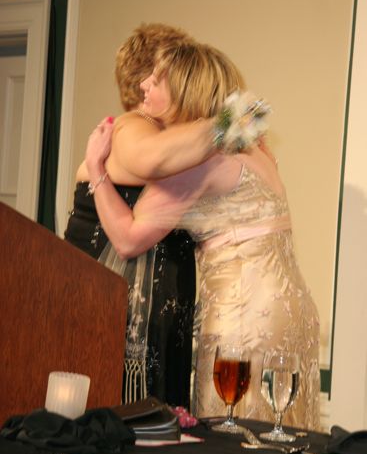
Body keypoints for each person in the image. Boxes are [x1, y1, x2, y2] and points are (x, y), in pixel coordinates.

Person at [85, 41, 321, 430]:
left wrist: (96, 169)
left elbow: (127, 239)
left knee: (237, 444)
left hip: (245, 319)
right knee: (280, 439)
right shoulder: (256, 148)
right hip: (293, 311)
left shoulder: (202, 160)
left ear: (183, 89)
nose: (144, 85)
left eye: (157, 80)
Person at [64, 23, 220, 408]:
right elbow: (153, 160)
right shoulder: (133, 127)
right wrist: (229, 122)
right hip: (118, 305)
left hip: (159, 301)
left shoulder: (169, 136)